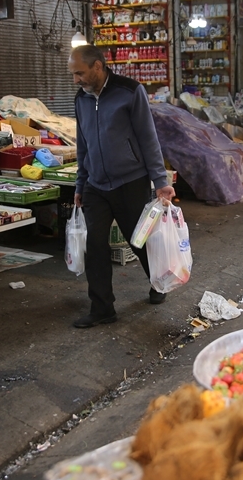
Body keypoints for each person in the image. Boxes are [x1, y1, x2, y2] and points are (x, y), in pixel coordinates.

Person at [68, 45, 176, 329]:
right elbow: (83, 144)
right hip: (95, 184)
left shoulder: (130, 91)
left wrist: (160, 181)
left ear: (98, 66)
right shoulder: (81, 98)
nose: (76, 80)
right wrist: (80, 183)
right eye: (73, 74)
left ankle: (159, 282)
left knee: (138, 240)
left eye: (79, 73)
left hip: (130, 180)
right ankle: (102, 308)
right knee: (95, 245)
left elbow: (148, 137)